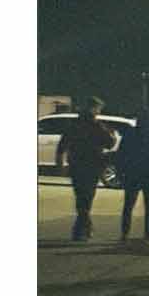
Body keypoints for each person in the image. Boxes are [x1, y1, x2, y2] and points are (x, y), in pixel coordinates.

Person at [55, 97, 118, 241]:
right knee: (87, 197)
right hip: (92, 165)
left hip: (77, 164)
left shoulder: (74, 124)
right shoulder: (97, 126)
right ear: (94, 108)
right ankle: (82, 229)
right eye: (98, 109)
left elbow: (62, 146)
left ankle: (82, 228)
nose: (99, 112)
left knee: (81, 197)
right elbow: (109, 143)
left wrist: (60, 164)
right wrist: (111, 134)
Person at [114, 109, 149, 242]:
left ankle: (125, 234)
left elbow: (121, 154)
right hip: (148, 174)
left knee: (128, 205)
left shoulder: (130, 134)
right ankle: (148, 235)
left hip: (132, 173)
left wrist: (120, 172)